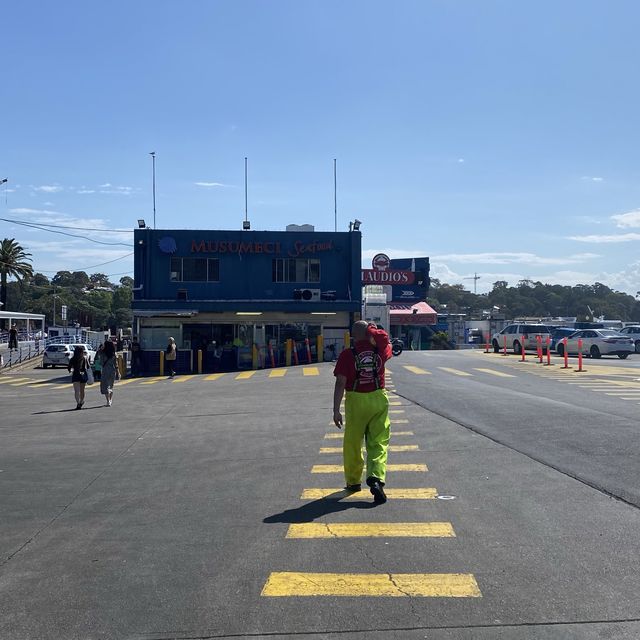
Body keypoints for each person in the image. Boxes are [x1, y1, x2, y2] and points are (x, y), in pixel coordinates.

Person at [333, 321, 393, 504]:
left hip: (356, 400)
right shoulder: (381, 352)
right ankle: (376, 478)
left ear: (353, 336)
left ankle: (353, 481)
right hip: (378, 399)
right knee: (378, 442)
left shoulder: (346, 355)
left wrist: (336, 410)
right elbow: (387, 342)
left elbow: (340, 383)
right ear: (369, 333)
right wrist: (374, 331)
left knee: (353, 442)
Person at [68, 345, 90, 410]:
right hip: (82, 374)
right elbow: (88, 367)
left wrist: (71, 370)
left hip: (76, 374)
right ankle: (81, 401)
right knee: (82, 390)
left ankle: (78, 403)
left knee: (76, 391)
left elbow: (69, 368)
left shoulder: (72, 359)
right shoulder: (84, 358)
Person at [99, 340, 118, 406]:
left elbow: (101, 363)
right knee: (111, 385)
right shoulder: (114, 354)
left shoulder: (103, 353)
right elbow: (116, 364)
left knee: (105, 386)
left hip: (105, 370)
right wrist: (118, 372)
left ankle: (108, 400)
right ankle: (110, 399)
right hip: (112, 370)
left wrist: (101, 349)